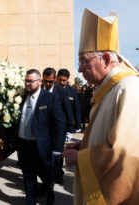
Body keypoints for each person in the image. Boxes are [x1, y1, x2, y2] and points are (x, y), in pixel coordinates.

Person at [63, 9, 139, 204]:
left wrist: (80, 159)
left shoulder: (128, 88)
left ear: (105, 59)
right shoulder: (109, 89)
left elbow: (126, 153)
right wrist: (84, 146)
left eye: (84, 61)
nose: (79, 69)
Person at [16, 69, 65, 205]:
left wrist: (58, 149)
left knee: (46, 177)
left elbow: (59, 123)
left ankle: (49, 199)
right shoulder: (21, 98)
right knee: (28, 176)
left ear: (39, 82)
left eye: (30, 81)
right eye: (26, 81)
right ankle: (30, 201)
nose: (27, 84)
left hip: (42, 147)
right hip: (23, 145)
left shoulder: (50, 98)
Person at [42, 67, 73, 184]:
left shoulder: (61, 92)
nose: (47, 84)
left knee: (57, 155)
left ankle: (58, 174)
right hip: (44, 131)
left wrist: (70, 129)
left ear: (54, 79)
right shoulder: (40, 90)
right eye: (45, 81)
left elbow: (68, 111)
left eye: (50, 81)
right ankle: (47, 180)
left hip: (58, 130)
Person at [56, 68, 81, 141]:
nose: (61, 82)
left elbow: (76, 108)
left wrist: (77, 125)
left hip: (68, 126)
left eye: (64, 80)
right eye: (59, 80)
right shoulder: (52, 89)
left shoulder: (72, 91)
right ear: (56, 78)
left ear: (67, 80)